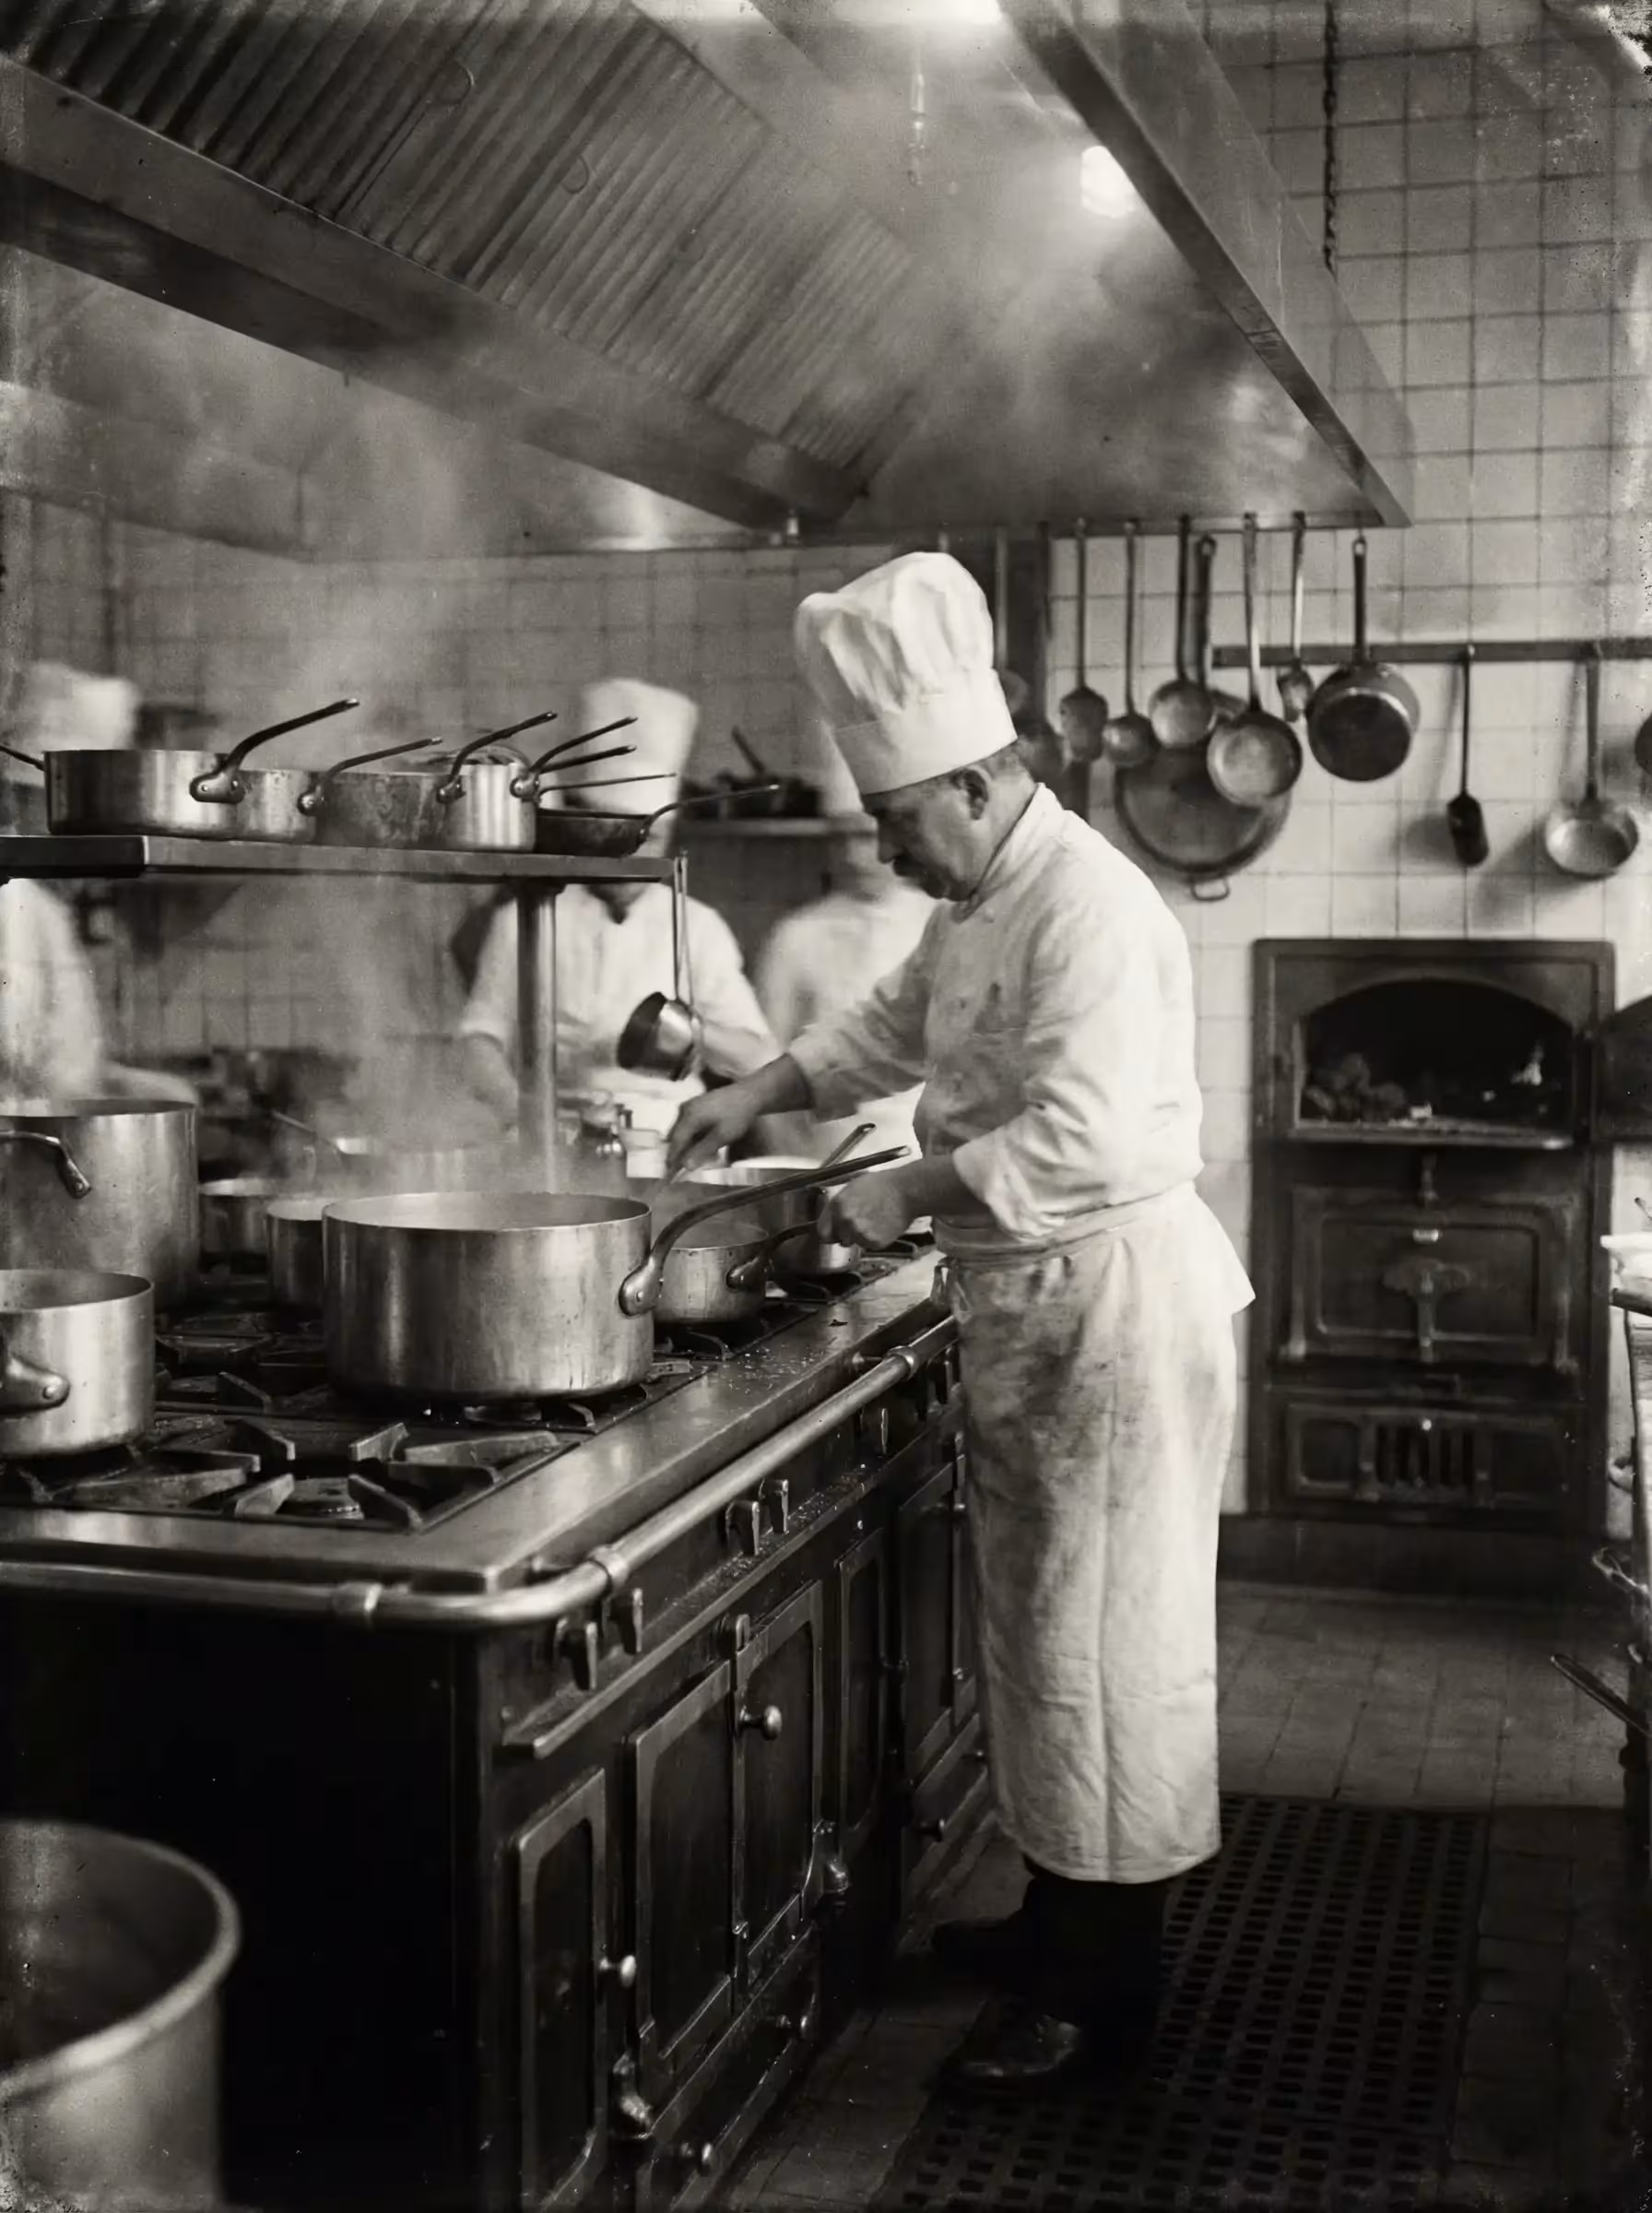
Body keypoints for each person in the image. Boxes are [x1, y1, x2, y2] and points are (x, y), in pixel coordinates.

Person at [668, 554, 1253, 2096]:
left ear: (979, 783)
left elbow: (1098, 1142)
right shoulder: (985, 891)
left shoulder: (1090, 909)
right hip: (1042, 1309)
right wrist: (760, 1090)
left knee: (1103, 1653)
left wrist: (900, 1195)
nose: (886, 850)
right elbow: (883, 1027)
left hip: (1111, 1311)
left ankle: (1103, 2003)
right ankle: (1053, 1919)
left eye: (897, 822)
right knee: (1041, 1646)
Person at [458, 680, 776, 1153]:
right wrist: (525, 1116)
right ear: (589, 827)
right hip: (557, 1136)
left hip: (673, 1140)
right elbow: (477, 1042)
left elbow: (757, 1058)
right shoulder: (526, 914)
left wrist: (683, 1033)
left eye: (650, 839)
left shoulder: (700, 926)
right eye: (618, 836)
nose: (633, 856)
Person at [0, 664, 195, 1101]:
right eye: (95, 817)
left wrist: (121, 1083)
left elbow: (54, 1059)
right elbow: (18, 1069)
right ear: (41, 800)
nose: (107, 834)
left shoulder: (46, 899)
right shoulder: (10, 899)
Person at [754, 740, 932, 1160]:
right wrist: (795, 1177)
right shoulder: (794, 936)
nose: (854, 855)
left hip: (927, 1159)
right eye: (840, 838)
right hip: (827, 1160)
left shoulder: (941, 922)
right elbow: (763, 1064)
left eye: (866, 834)